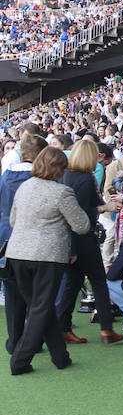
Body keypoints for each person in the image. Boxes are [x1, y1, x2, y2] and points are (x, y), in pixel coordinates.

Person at [6, 147, 91, 375]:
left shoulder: (24, 186)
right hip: (47, 257)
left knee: (40, 308)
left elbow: (14, 220)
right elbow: (81, 225)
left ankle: (60, 357)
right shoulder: (62, 192)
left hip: (17, 254)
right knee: (41, 309)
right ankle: (20, 361)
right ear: (59, 169)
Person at [56, 140, 123, 344]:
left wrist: (106, 205)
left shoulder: (65, 176)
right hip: (82, 238)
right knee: (98, 282)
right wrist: (106, 208)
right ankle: (106, 329)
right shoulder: (85, 179)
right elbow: (84, 213)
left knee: (72, 285)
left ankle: (63, 328)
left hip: (69, 241)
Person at [0, 134, 46, 356]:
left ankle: (15, 340)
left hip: (6, 239)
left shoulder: (6, 175)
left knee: (13, 293)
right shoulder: (38, 179)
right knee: (35, 294)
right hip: (32, 240)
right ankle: (31, 341)